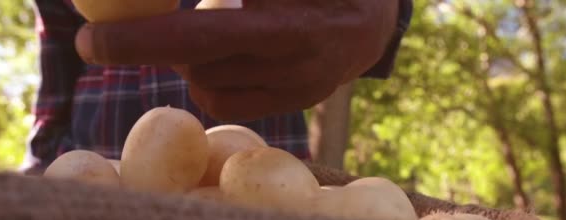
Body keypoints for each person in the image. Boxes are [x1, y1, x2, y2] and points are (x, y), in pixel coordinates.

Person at [22, 0, 413, 174]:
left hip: (263, 177)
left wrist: (390, 9)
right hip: (93, 179)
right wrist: (43, 166)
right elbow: (57, 55)